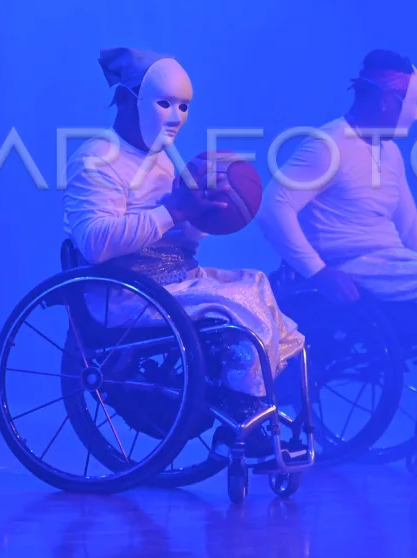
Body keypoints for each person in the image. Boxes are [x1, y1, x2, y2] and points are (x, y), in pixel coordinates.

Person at [256, 49, 417, 443]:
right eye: (413, 105)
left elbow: (411, 227)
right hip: (351, 264)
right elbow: (273, 208)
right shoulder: (329, 145)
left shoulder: (389, 153)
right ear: (389, 101)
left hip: (390, 262)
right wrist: (318, 273)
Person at [63, 47, 305, 448]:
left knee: (257, 284)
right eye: (164, 103)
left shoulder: (165, 161)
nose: (175, 117)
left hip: (171, 280)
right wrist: (174, 210)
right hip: (125, 292)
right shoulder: (97, 158)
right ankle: (241, 422)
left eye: (184, 106)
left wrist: (204, 215)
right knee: (238, 307)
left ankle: (254, 405)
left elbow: (183, 243)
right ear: (126, 99)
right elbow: (94, 243)